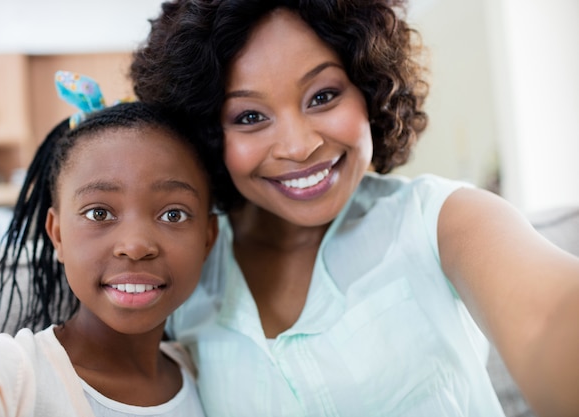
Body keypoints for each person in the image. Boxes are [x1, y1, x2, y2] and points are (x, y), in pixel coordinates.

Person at [130, 1, 579, 416]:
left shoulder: (446, 220)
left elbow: (549, 319)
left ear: (369, 89)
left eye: (322, 96)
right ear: (207, 132)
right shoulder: (189, 267)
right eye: (250, 117)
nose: (299, 147)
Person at [0, 71, 218, 416]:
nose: (136, 246)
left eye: (172, 215)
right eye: (99, 213)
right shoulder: (2, 380)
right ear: (57, 235)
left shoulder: (206, 375)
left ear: (208, 239)